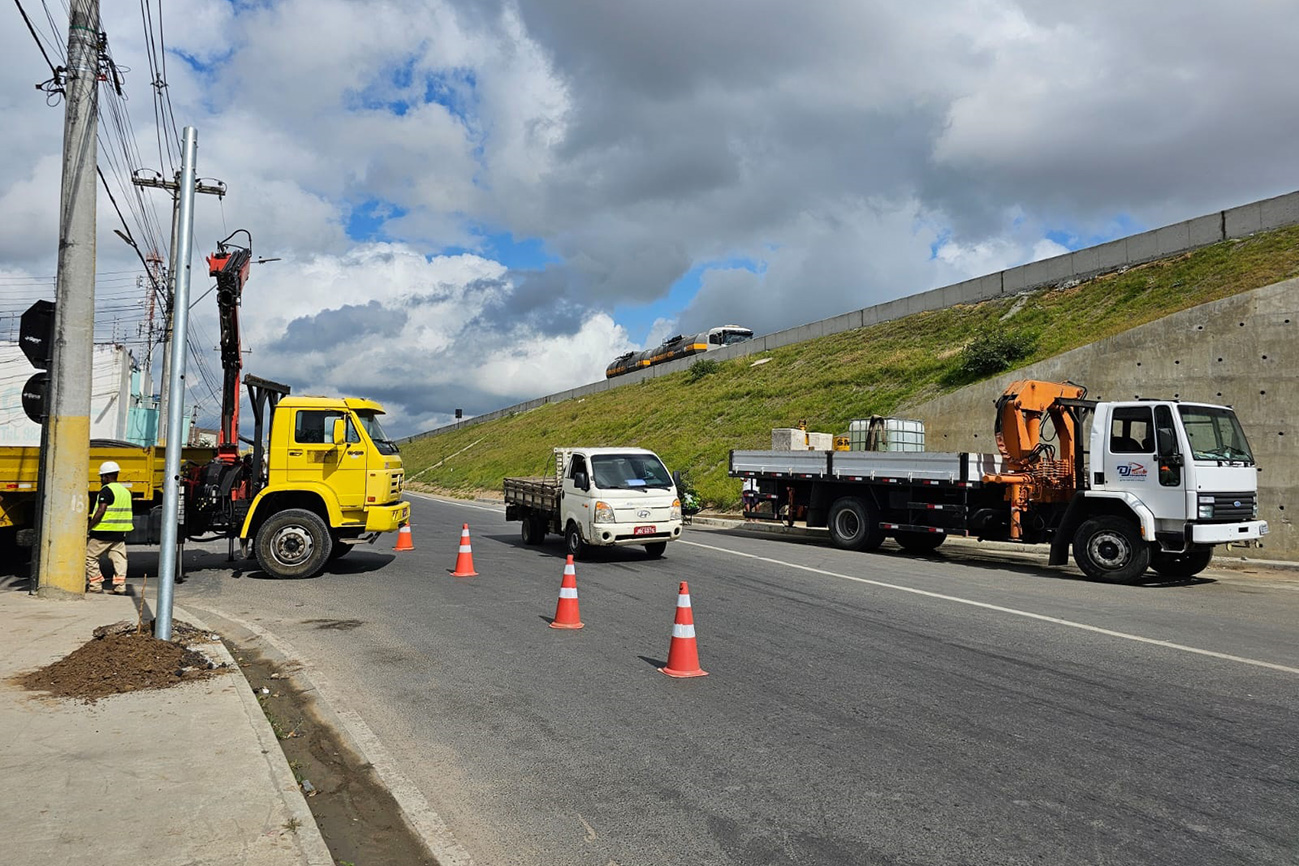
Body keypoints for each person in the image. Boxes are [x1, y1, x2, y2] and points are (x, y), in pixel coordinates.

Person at [86, 460, 133, 594]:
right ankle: (120, 586)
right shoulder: (125, 492)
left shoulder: (106, 491)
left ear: (105, 477)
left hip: (103, 531)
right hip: (119, 533)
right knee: (119, 559)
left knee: (90, 557)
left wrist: (90, 526)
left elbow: (101, 510)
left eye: (101, 477)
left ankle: (95, 585)